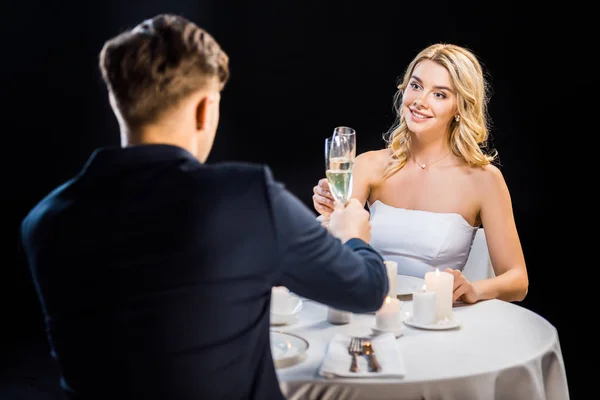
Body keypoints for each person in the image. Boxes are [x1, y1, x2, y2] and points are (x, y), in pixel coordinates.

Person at [20, 14, 388, 400]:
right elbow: (365, 290)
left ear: (117, 100)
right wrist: (351, 236)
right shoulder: (246, 197)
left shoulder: (43, 222)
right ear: (204, 109)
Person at [313, 43, 528, 305]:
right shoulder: (368, 165)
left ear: (459, 107)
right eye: (416, 86)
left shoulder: (484, 180)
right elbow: (336, 251)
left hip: (435, 320)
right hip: (368, 309)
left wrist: (474, 289)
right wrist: (328, 216)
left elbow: (518, 281)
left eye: (439, 94)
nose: (420, 101)